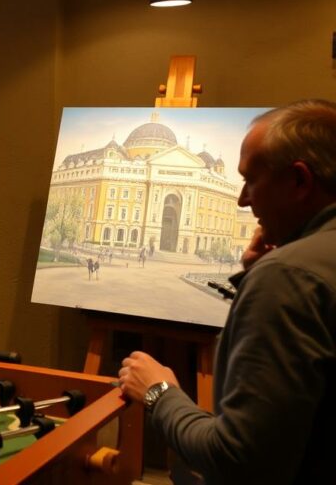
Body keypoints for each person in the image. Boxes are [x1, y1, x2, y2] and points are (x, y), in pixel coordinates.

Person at [118, 99, 336, 485]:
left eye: (252, 180)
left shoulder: (287, 277)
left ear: (300, 181)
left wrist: (159, 392)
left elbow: (238, 460)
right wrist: (256, 276)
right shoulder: (299, 270)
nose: (242, 200)